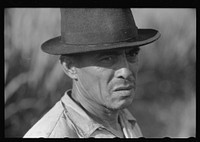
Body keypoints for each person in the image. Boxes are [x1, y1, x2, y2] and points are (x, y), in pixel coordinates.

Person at [23, 8, 160, 138]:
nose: (125, 71)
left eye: (132, 53)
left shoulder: (124, 120)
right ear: (70, 67)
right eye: (107, 58)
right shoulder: (51, 134)